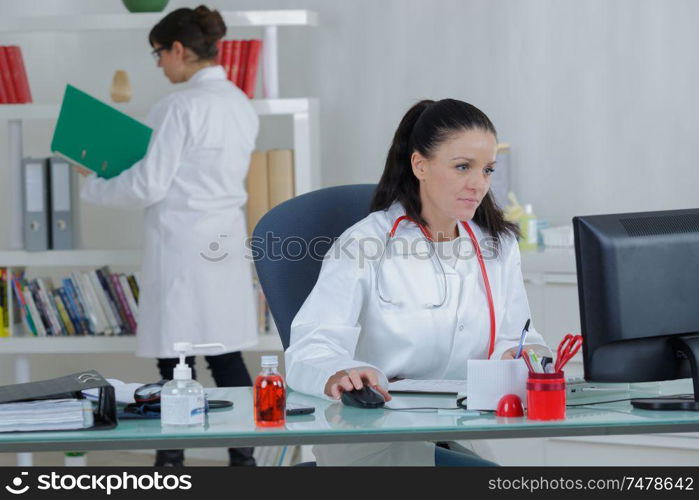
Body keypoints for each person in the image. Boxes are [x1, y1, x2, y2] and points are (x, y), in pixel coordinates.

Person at [285, 98, 552, 466]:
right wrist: (340, 372)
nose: (479, 184)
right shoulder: (364, 244)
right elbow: (311, 347)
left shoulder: (498, 246)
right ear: (420, 165)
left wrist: (522, 355)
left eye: (487, 170)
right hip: (378, 430)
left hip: (464, 426)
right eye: (462, 167)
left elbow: (520, 336)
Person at [78, 6, 258, 467]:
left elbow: (148, 184)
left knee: (173, 358)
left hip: (180, 241)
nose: (158, 64)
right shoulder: (239, 102)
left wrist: (91, 184)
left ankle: (171, 458)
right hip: (222, 239)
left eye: (158, 54)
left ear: (178, 49)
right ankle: (244, 458)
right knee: (226, 353)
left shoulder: (177, 107)